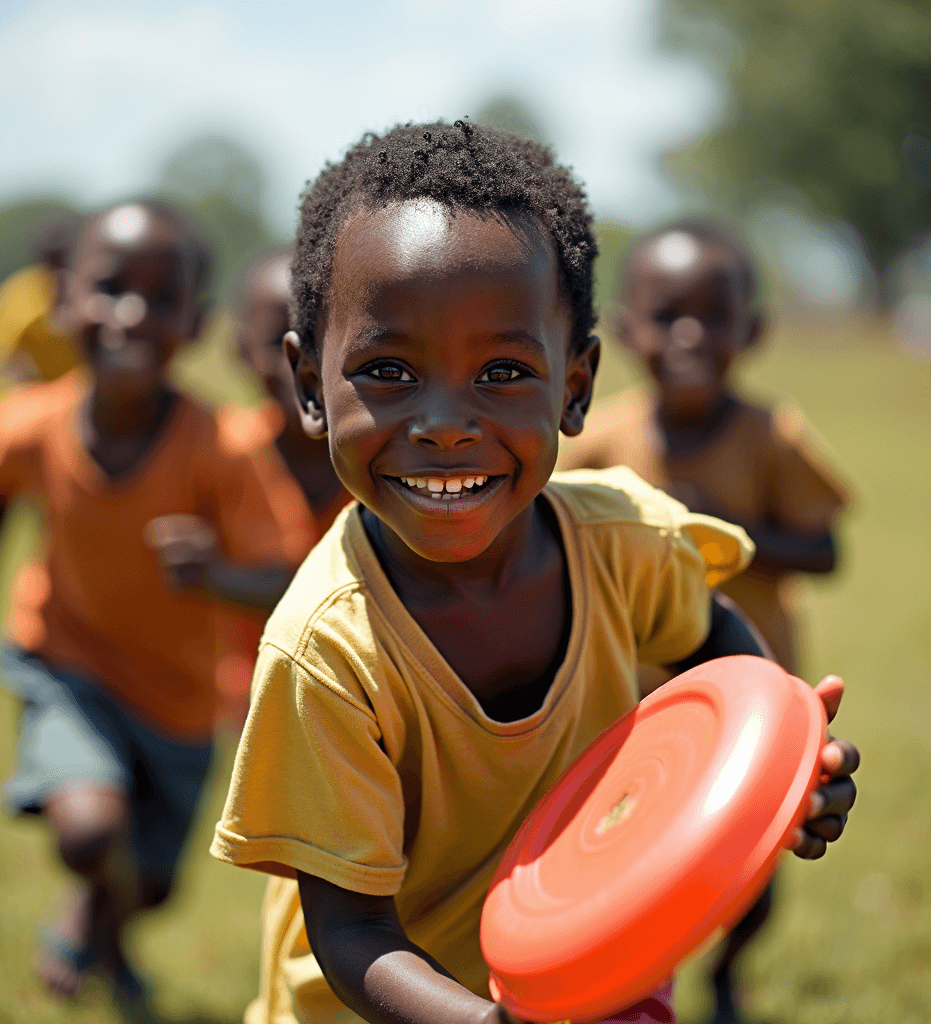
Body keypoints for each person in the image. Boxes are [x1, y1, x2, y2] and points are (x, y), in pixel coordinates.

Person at [206, 123, 860, 1024]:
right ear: (309, 388)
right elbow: (352, 935)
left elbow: (717, 656)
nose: (444, 423)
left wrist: (780, 768)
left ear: (576, 386)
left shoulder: (627, 542)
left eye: (504, 370)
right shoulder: (326, 651)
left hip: (577, 968)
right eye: (387, 370)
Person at [0, 199, 315, 1007]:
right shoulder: (31, 422)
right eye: (109, 287)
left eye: (160, 296)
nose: (131, 314)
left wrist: (214, 575)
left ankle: (101, 932)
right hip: (64, 663)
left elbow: (282, 572)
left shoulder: (222, 447)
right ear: (64, 299)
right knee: (88, 829)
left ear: (195, 321)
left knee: (151, 886)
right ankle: (91, 903)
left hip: (177, 698)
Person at [556, 219, 853, 1023]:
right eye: (666, 315)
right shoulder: (600, 439)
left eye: (712, 317)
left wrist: (735, 531)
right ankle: (637, 984)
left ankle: (727, 969)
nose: (690, 336)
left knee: (753, 863)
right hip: (630, 703)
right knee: (631, 859)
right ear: (624, 331)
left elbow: (826, 550)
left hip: (754, 695)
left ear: (750, 331)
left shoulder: (771, 436)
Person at [213, 250, 351, 727]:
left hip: (364, 695)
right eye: (278, 341)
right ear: (240, 350)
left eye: (325, 337)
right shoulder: (222, 453)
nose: (304, 362)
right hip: (247, 698)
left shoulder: (385, 465)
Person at [0, 212, 85, 414]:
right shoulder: (23, 293)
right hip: (27, 404)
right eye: (53, 261)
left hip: (79, 404)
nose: (58, 270)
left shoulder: (92, 291)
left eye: (66, 260)